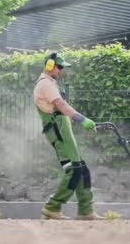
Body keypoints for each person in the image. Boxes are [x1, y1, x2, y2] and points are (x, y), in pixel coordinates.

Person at [33, 53, 105, 220]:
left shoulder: (51, 83)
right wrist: (82, 119)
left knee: (82, 169)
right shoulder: (45, 84)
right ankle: (52, 207)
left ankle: (86, 210)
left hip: (63, 129)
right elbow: (62, 106)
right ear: (49, 66)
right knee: (73, 169)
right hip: (57, 130)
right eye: (59, 67)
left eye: (62, 67)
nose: (61, 70)